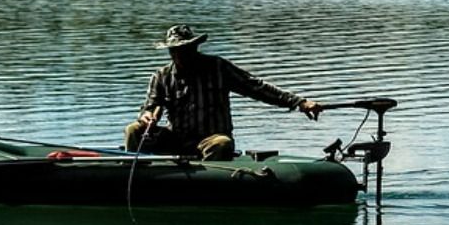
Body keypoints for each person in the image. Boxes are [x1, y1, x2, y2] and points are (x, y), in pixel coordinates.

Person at [124, 25, 320, 160]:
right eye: (174, 51)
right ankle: (130, 174)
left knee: (222, 143)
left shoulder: (217, 68)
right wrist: (146, 117)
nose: (180, 56)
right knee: (133, 130)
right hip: (175, 139)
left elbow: (256, 87)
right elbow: (149, 107)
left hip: (208, 139)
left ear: (195, 48)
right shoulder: (162, 76)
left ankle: (206, 182)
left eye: (184, 50)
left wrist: (299, 102)